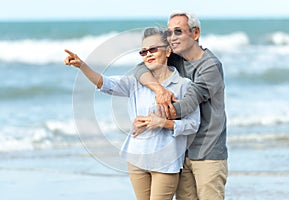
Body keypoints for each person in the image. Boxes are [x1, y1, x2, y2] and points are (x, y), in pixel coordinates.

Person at [64, 27, 200, 200]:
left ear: (167, 51)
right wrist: (82, 66)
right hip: (136, 159)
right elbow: (103, 83)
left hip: (165, 163)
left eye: (153, 49)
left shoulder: (184, 85)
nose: (148, 54)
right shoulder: (135, 82)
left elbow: (193, 124)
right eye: (143, 52)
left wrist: (163, 123)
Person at [134, 11, 228, 200]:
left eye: (178, 32)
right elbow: (140, 68)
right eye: (169, 33)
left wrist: (153, 119)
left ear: (195, 33)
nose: (172, 38)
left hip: (208, 152)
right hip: (180, 152)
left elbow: (187, 105)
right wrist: (159, 89)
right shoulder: (175, 59)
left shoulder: (210, 66)